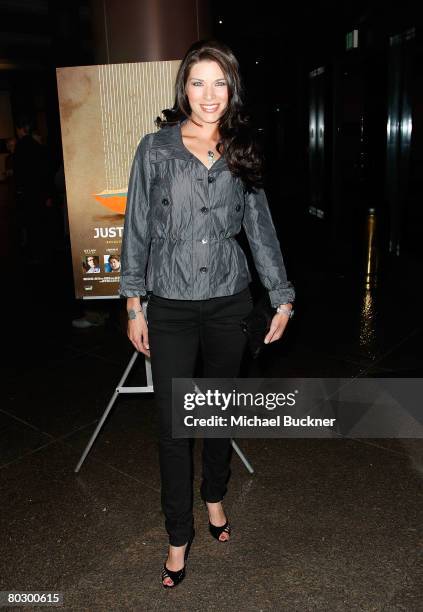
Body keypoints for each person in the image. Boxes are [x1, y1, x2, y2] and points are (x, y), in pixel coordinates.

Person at [120, 39, 295, 589]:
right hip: (169, 305)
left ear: (232, 89)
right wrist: (133, 302)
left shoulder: (242, 149)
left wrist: (282, 295)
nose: (209, 94)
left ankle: (215, 497)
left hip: (228, 302)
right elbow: (138, 228)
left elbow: (260, 229)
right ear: (184, 89)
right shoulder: (155, 149)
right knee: (174, 428)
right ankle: (178, 535)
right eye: (198, 82)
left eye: (220, 82)